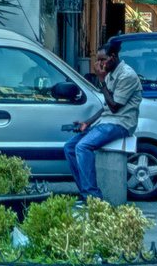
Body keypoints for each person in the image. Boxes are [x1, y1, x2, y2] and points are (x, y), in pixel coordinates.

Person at [64, 44, 142, 202]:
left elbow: (114, 107)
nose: (99, 64)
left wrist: (102, 81)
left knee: (83, 146)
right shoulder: (111, 73)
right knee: (70, 147)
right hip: (107, 121)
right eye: (97, 60)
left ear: (113, 57)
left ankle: (93, 196)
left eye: (103, 60)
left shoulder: (127, 75)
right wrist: (87, 122)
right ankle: (85, 192)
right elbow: (105, 108)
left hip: (122, 123)